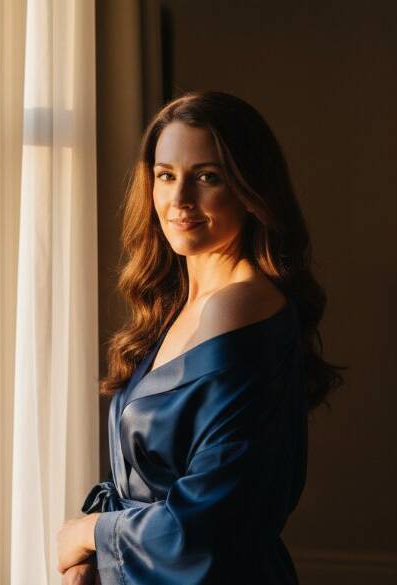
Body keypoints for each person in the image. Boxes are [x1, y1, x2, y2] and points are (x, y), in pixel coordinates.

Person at [56, 91, 343, 584]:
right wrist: (96, 560)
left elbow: (208, 520)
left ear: (251, 190)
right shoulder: (184, 304)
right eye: (166, 175)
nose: (180, 200)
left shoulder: (238, 307)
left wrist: (91, 533)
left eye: (207, 177)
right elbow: (154, 474)